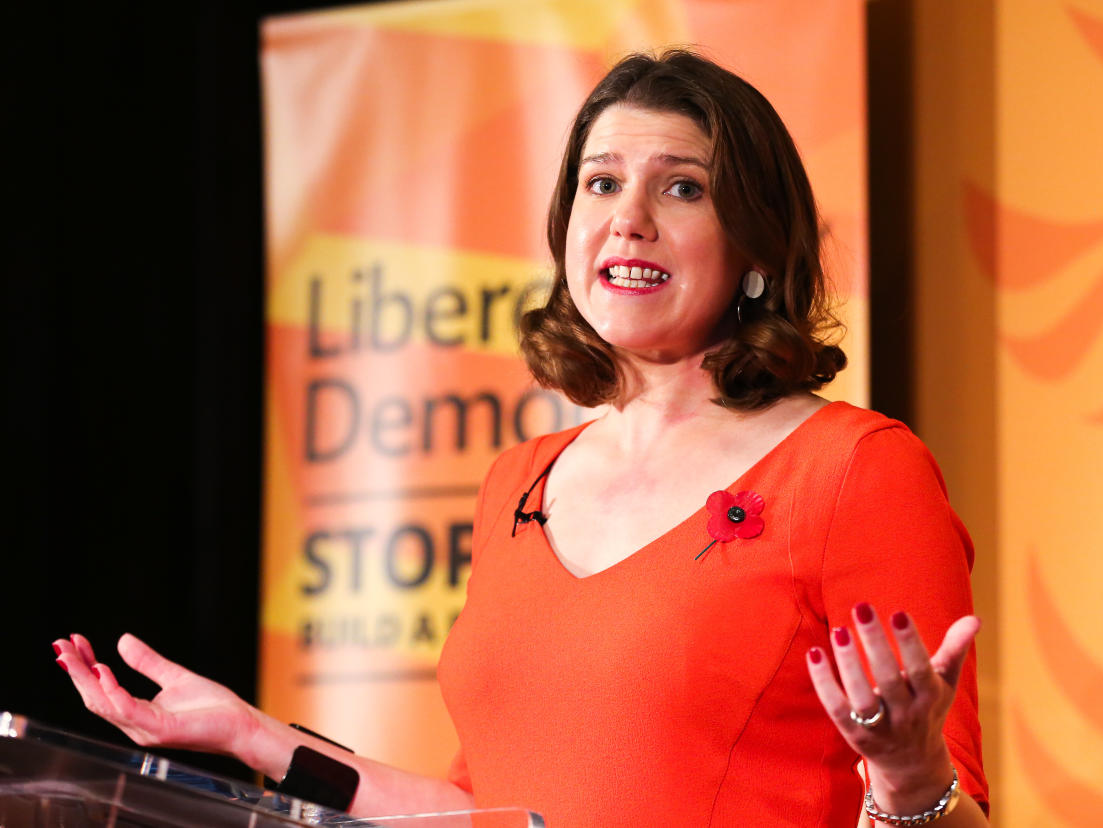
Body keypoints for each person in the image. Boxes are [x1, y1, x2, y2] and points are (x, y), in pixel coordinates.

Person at [55, 49, 989, 826]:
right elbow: (479, 812)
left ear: (753, 248)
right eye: (603, 182)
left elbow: (960, 808)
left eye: (684, 188)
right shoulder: (521, 483)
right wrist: (252, 739)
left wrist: (907, 775)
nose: (631, 216)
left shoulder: (854, 471)